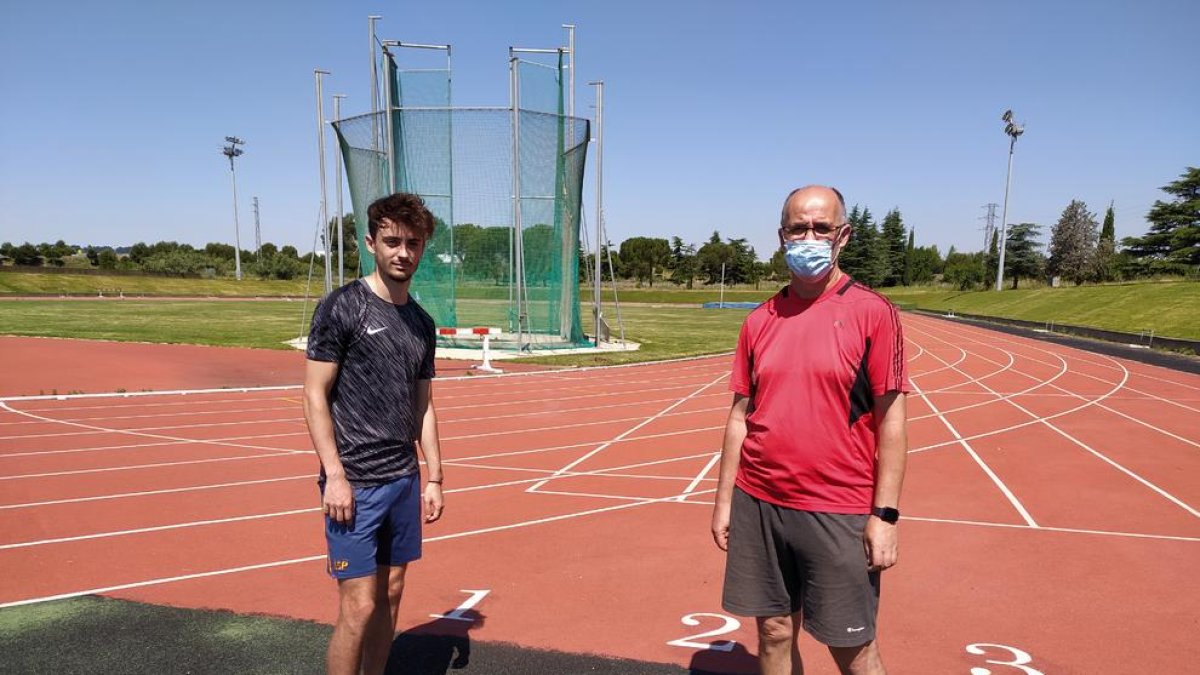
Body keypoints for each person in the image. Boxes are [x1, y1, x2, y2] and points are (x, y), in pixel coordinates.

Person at [710, 185, 910, 675]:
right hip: (759, 502)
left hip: (837, 507)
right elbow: (739, 417)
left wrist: (885, 515)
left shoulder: (872, 313)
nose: (810, 237)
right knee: (773, 631)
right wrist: (723, 502)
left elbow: (893, 421)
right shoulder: (759, 320)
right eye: (798, 227)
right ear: (782, 235)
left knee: (853, 647)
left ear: (843, 236)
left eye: (822, 228)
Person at [303, 192, 445, 675]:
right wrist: (335, 476)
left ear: (423, 247)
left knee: (392, 594)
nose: (403, 252)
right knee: (359, 606)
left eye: (413, 243)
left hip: (403, 479)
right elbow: (314, 396)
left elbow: (423, 405)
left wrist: (434, 478)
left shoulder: (422, 324)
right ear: (371, 243)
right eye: (392, 241)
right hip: (356, 483)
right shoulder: (342, 307)